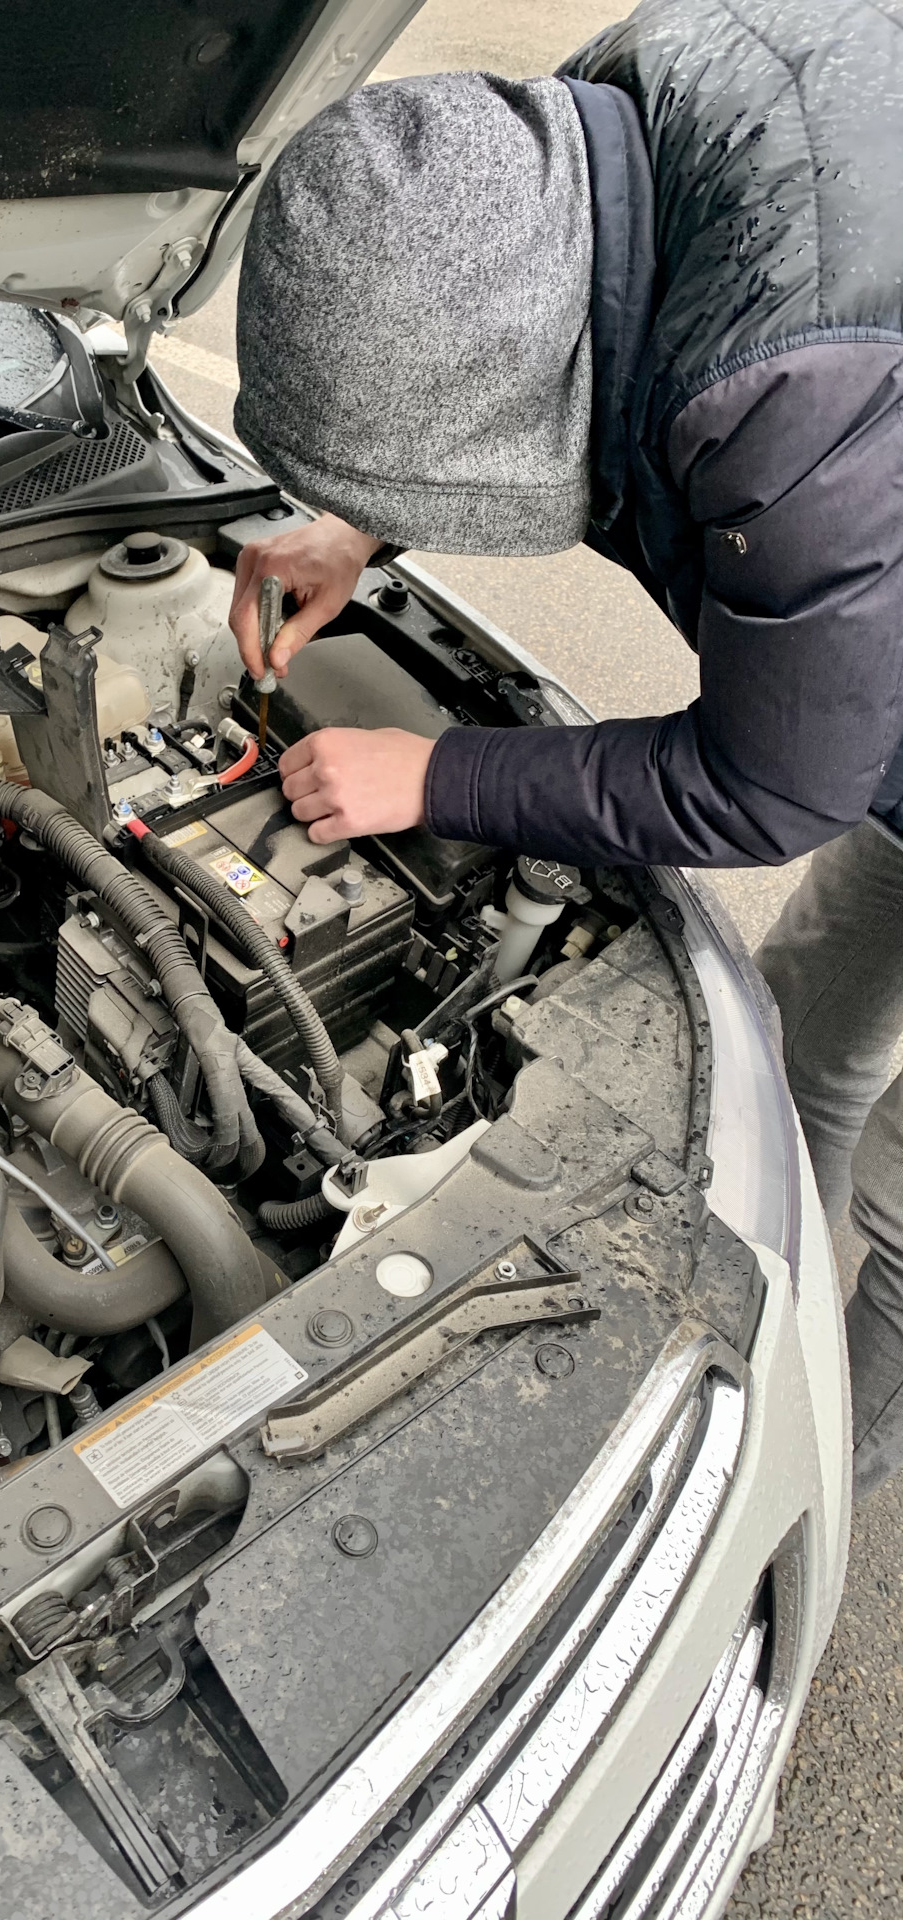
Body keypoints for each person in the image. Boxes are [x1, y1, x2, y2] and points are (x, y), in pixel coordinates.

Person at [225, 0, 903, 1492]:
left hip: (856, 677)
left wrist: (440, 773)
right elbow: (523, 329)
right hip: (875, 662)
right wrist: (361, 521)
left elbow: (771, 784)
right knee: (800, 1036)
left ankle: (815, 1467)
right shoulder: (606, 124)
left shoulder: (793, 399)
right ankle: (771, 1297)